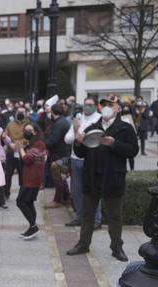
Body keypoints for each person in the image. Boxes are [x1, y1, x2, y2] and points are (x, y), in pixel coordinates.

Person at [67, 95, 139, 262]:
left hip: (113, 177)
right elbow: (80, 153)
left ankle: (117, 247)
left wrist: (114, 144)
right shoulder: (93, 127)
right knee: (88, 215)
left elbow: (133, 151)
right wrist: (77, 141)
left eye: (111, 105)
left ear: (118, 108)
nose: (106, 107)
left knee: (115, 216)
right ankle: (83, 244)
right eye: (104, 105)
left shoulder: (125, 128)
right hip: (92, 176)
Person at [64, 97, 102, 228]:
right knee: (76, 190)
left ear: (96, 106)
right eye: (86, 104)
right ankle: (80, 217)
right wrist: (75, 130)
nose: (87, 107)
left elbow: (97, 139)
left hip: (91, 160)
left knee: (93, 190)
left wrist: (82, 137)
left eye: (90, 105)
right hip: (75, 159)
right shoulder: (79, 118)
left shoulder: (99, 118)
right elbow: (67, 139)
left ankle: (96, 220)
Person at [17, 123, 47, 239]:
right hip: (28, 177)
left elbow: (27, 159)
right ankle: (32, 227)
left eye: (29, 130)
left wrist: (21, 149)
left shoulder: (39, 144)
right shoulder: (31, 143)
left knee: (21, 201)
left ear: (35, 132)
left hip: (32, 178)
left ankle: (34, 226)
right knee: (28, 202)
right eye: (25, 130)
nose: (26, 132)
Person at [44, 102, 72, 208]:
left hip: (60, 154)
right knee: (61, 177)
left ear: (52, 112)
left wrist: (44, 146)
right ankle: (66, 198)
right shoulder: (61, 121)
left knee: (58, 177)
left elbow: (53, 140)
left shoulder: (59, 123)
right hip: (62, 152)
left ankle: (57, 200)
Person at [3, 106, 30, 199]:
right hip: (11, 152)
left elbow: (30, 136)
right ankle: (6, 193)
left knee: (23, 174)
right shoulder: (10, 124)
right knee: (8, 175)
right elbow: (5, 136)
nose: (21, 113)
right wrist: (10, 143)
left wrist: (22, 144)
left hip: (23, 152)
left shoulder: (28, 124)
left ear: (26, 113)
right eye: (19, 111)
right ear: (16, 112)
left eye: (23, 111)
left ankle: (23, 194)